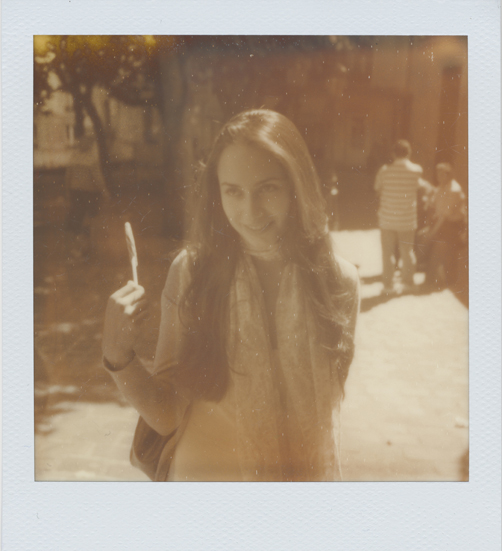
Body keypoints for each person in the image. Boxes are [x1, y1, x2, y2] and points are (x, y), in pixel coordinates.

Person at [102, 109, 360, 482]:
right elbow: (167, 415)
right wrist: (118, 356)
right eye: (233, 191)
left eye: (268, 188)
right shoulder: (192, 273)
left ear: (297, 185)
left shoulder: (340, 281)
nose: (249, 211)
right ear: (216, 193)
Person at [374, 139, 423, 294]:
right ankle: (408, 283)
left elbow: (378, 190)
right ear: (409, 153)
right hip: (407, 220)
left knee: (387, 253)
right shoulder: (416, 170)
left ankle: (388, 286)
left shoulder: (384, 171)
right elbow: (418, 188)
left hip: (387, 218)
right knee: (407, 251)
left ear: (393, 154)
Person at [424, 163, 467, 290]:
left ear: (448, 175)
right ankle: (441, 279)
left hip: (451, 226)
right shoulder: (442, 186)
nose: (439, 177)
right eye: (438, 174)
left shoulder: (453, 190)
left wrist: (432, 232)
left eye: (442, 174)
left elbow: (444, 216)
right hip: (443, 223)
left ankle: (430, 282)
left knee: (438, 250)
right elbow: (434, 205)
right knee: (444, 253)